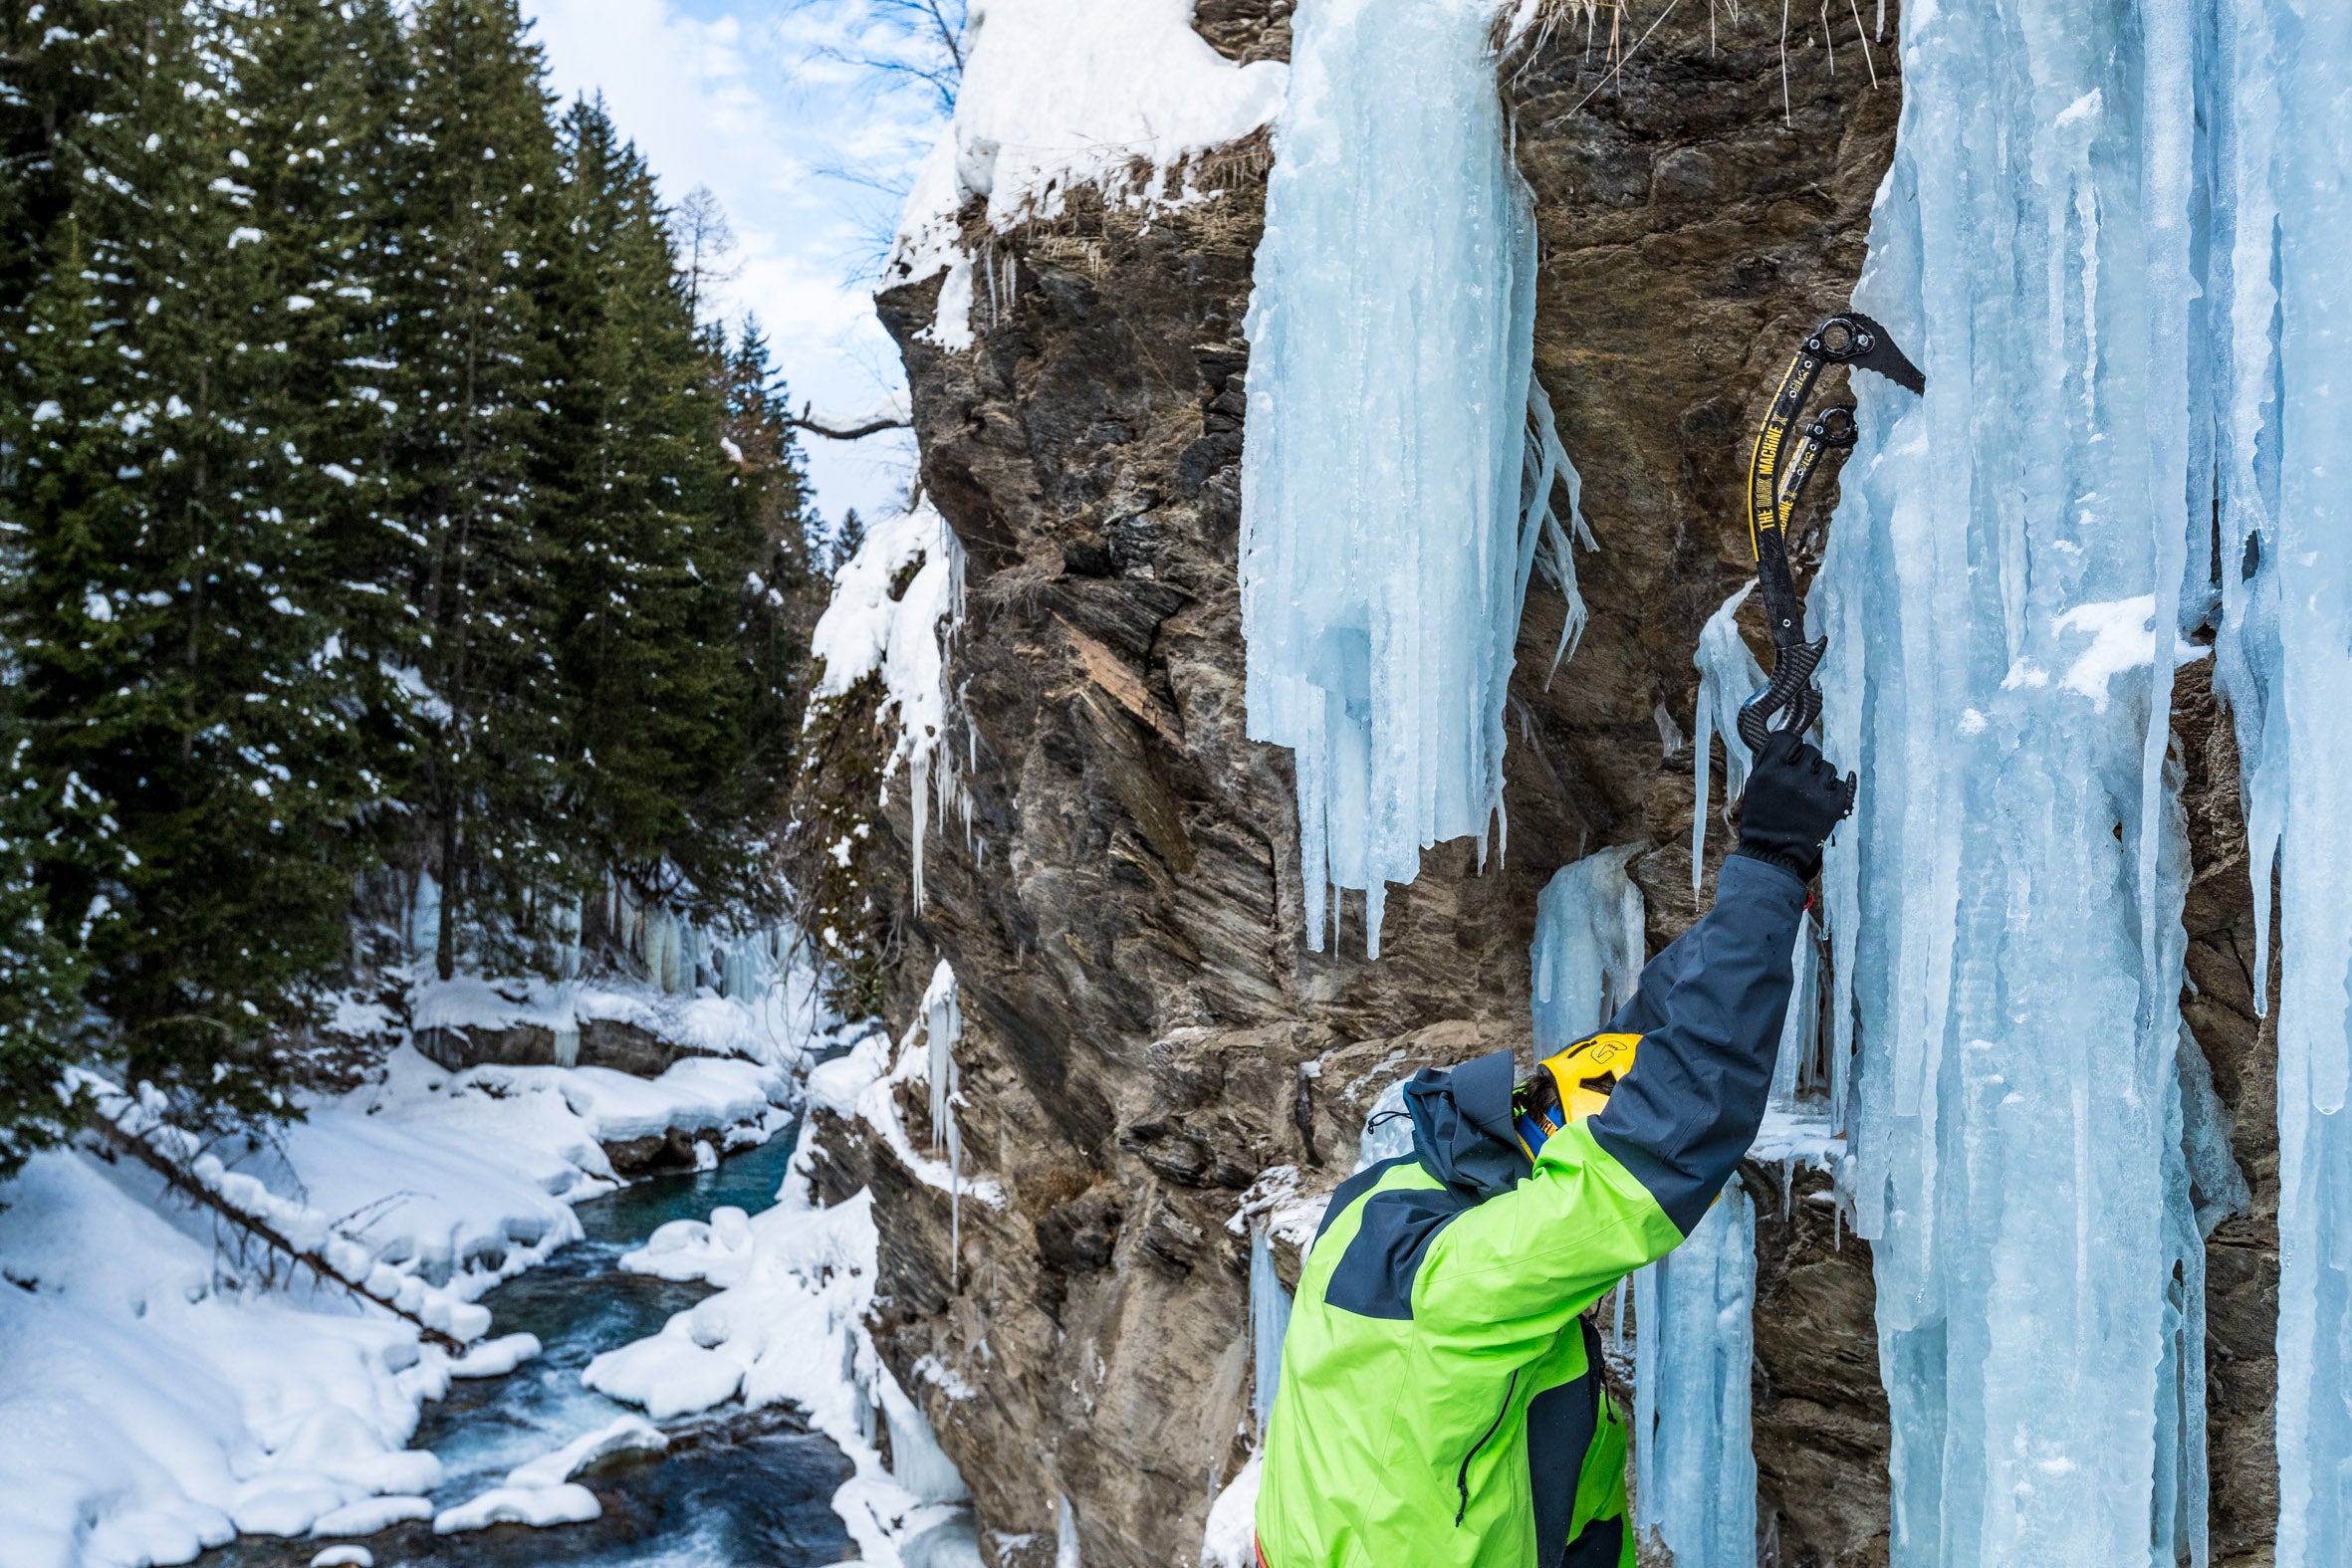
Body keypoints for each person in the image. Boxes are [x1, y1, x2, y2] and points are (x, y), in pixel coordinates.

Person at [1253, 729, 1855, 1568]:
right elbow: (1648, 1155)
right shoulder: (1467, 1285)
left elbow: (1633, 1064)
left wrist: (1757, 897)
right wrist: (1774, 864)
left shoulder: (1392, 1202)